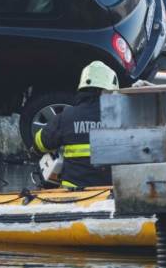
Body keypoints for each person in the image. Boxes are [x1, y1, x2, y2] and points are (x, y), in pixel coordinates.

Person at [32, 61, 117, 189]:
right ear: (106, 90)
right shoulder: (120, 117)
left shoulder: (66, 116)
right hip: (110, 190)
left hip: (73, 191)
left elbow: (39, 143)